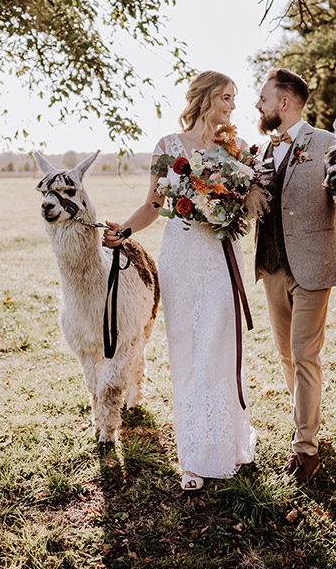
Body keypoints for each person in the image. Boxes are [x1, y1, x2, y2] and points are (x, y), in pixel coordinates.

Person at [103, 70, 256, 491]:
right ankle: (193, 455)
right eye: (226, 96)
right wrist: (126, 231)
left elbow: (249, 205)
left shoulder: (239, 149)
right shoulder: (166, 148)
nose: (231, 106)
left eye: (234, 99)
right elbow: (153, 205)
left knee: (221, 348)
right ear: (206, 98)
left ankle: (229, 445)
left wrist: (229, 207)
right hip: (182, 259)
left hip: (222, 257)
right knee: (188, 351)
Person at [253, 68, 336, 484]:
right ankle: (307, 421)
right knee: (287, 355)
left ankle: (305, 447)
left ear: (284, 103)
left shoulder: (326, 144)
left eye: (264, 98)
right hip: (271, 266)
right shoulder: (259, 151)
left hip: (312, 267)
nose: (259, 105)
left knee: (305, 354)